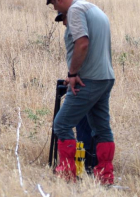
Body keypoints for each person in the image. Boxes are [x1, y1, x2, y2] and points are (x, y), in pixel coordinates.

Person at [46, 0, 115, 184]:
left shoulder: (75, 10)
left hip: (89, 80)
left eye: (53, 5)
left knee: (61, 124)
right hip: (105, 78)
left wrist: (72, 73)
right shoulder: (93, 9)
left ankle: (67, 176)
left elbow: (82, 43)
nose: (55, 10)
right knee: (102, 129)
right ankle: (104, 177)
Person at [55, 12, 97, 175]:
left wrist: (73, 76)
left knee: (75, 124)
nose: (64, 23)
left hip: (86, 85)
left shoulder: (83, 37)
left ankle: (82, 165)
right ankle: (86, 164)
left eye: (64, 19)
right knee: (88, 124)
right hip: (87, 83)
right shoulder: (81, 35)